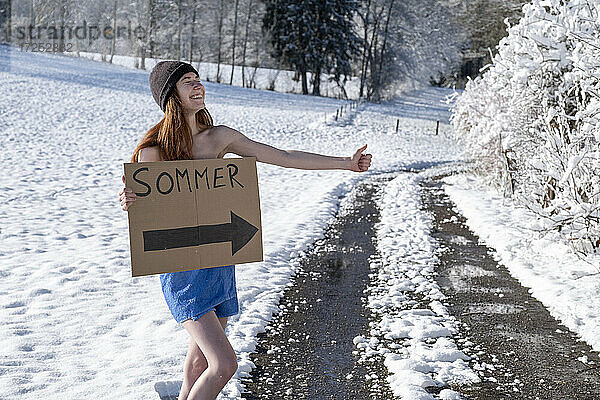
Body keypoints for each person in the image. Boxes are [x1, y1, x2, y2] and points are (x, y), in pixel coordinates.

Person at [118, 60, 372, 400]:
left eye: (198, 79)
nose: (198, 86)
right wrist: (130, 199)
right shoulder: (153, 152)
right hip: (183, 273)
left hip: (220, 263)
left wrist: (344, 162)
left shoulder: (219, 137)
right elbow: (147, 216)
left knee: (198, 363)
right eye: (188, 82)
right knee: (223, 364)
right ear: (171, 97)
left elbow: (283, 156)